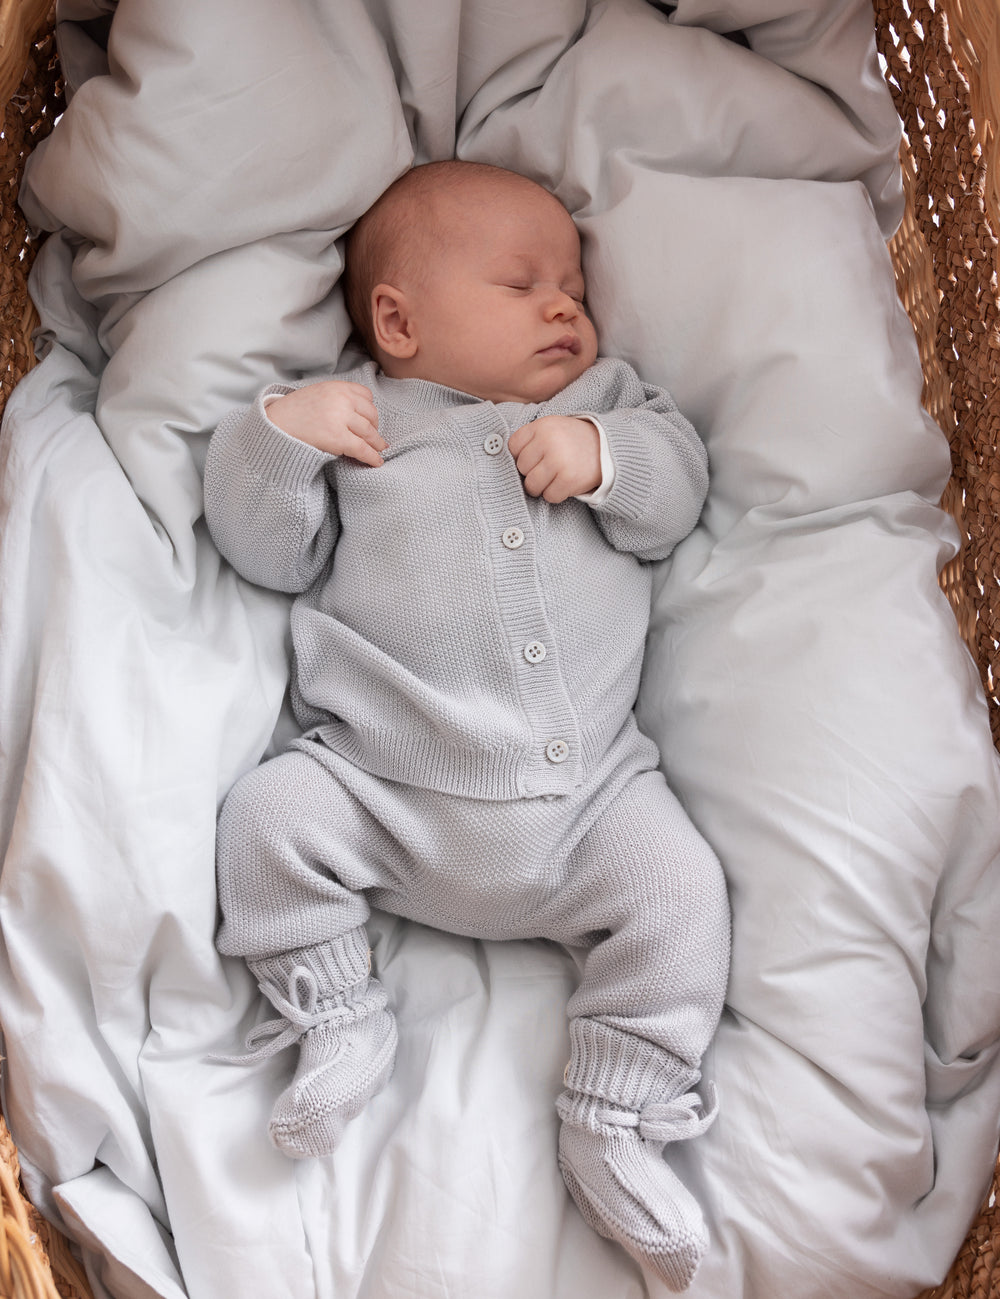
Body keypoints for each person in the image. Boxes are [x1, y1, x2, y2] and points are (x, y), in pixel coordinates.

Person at [203, 160, 730, 1291]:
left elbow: (676, 491)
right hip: (378, 793)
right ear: (398, 322)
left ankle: (614, 1118)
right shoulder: (361, 421)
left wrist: (607, 459)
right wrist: (280, 436)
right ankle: (337, 1019)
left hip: (588, 807)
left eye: (573, 289)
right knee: (264, 818)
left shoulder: (604, 403)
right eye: (523, 285)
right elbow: (264, 550)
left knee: (683, 896)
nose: (564, 308)